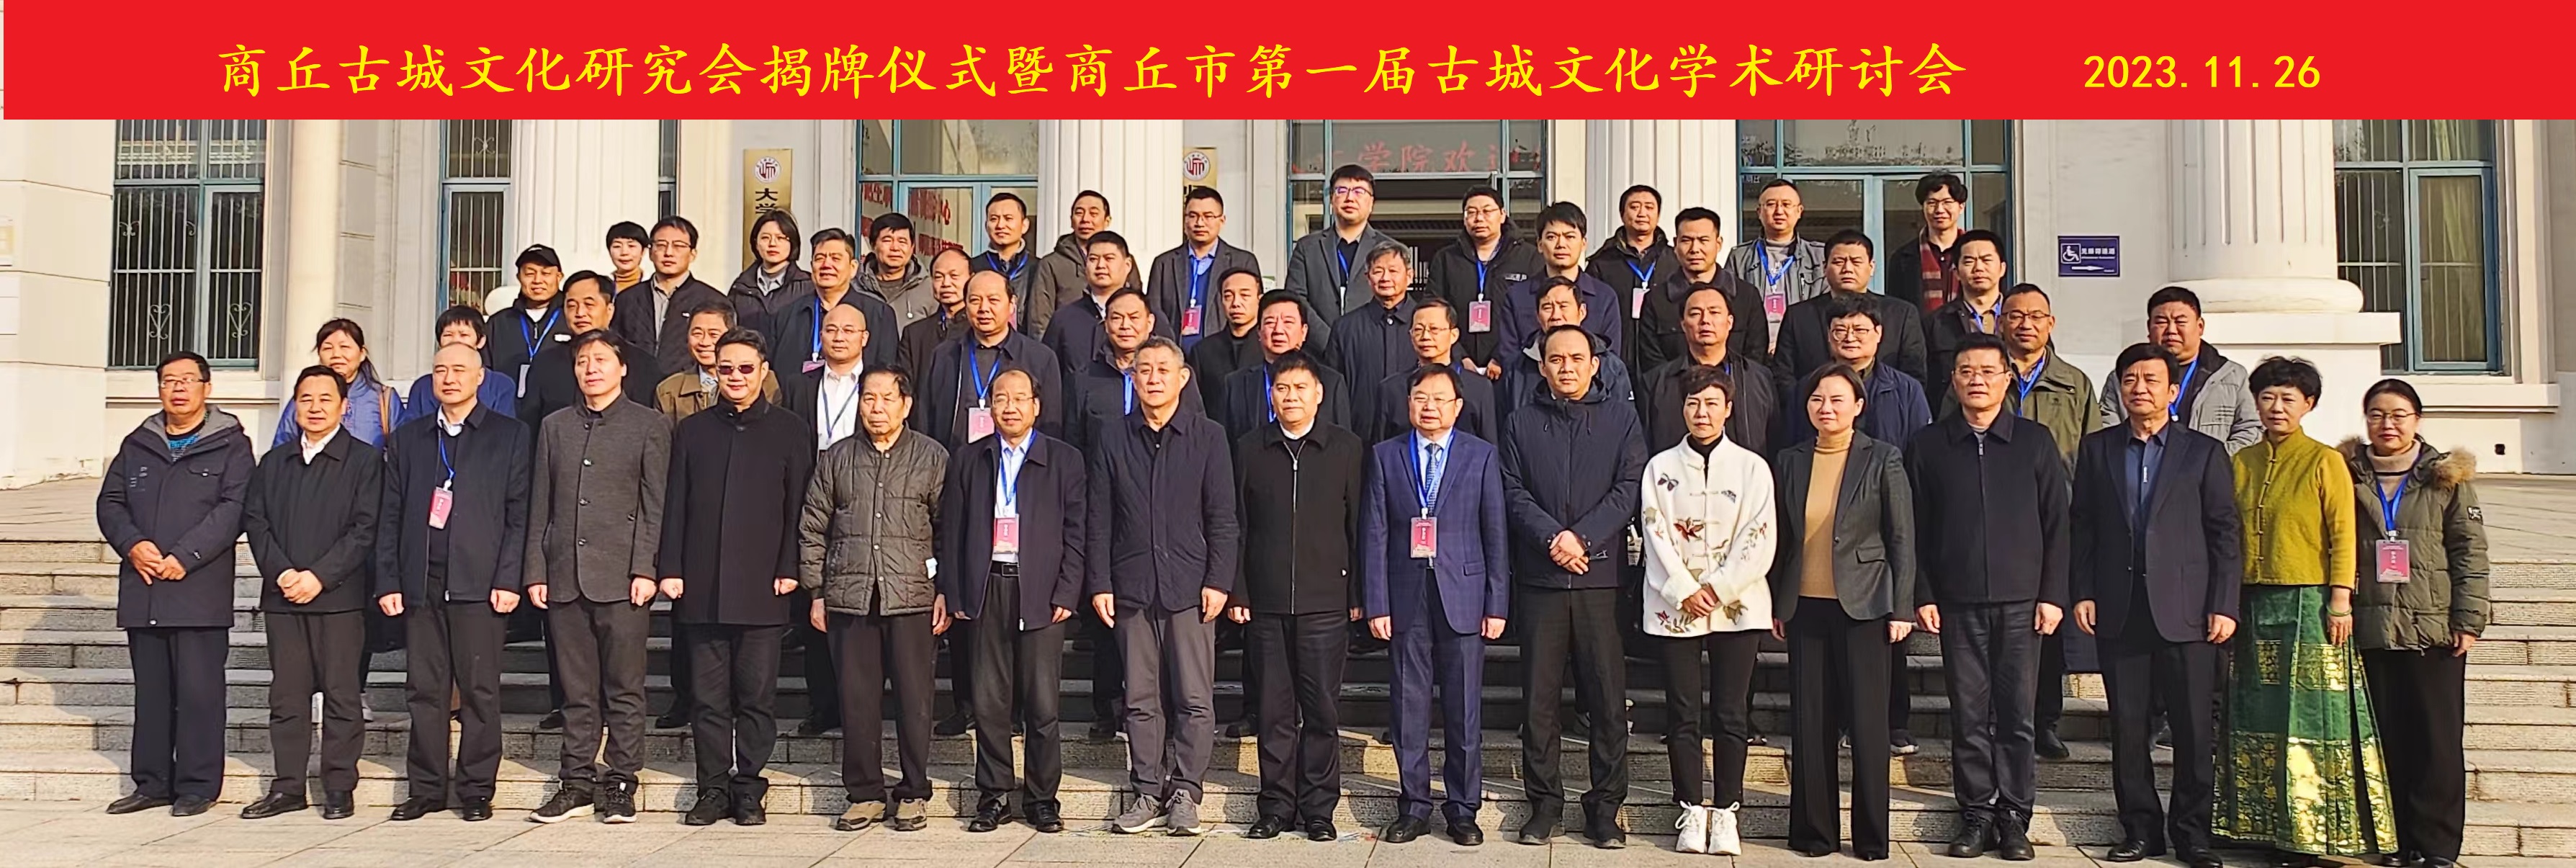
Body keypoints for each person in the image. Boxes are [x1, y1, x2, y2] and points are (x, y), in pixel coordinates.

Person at [2218, 357, 2393, 868]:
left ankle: (2315, 831)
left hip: (2310, 602)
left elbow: (2343, 532)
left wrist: (2340, 598)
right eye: (2267, 397)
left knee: (2312, 718)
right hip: (2253, 601)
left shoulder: (2323, 460)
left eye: (2288, 399)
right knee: (2258, 716)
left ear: (2308, 404)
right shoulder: (2242, 461)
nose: (2276, 407)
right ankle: (2259, 824)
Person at [2071, 342, 2239, 868]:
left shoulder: (2203, 452)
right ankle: (2140, 829)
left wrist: (2223, 603)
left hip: (2188, 611)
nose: (2139, 388)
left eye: (2150, 380)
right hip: (2120, 608)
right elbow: (2083, 527)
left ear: (2172, 390)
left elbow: (2224, 533)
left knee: (2192, 730)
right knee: (2127, 727)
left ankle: (2192, 833)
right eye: (2129, 380)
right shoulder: (2097, 449)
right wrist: (2083, 591)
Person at [1907, 333, 2070, 860]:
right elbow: (1916, 527)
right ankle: (1976, 812)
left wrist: (2053, 594)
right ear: (1953, 381)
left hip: (2023, 602)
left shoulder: (2033, 441)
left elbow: (2057, 522)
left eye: (1987, 371)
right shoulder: (1929, 445)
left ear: (2006, 379)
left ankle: (2015, 815)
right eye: (1966, 371)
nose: (1976, 380)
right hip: (1957, 602)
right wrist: (1923, 593)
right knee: (1968, 713)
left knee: (2017, 714)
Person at [661, 329, 816, 827]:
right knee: (707, 699)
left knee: (755, 697)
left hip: (764, 584)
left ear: (764, 370)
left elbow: (799, 507)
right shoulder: (693, 430)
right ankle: (711, 788)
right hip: (701, 584)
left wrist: (791, 567)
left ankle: (749, 787)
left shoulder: (790, 429)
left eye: (745, 368)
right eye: (725, 368)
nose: (735, 377)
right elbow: (675, 503)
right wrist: (670, 567)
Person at [1502, 324, 1647, 849]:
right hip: (1541, 578)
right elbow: (1511, 489)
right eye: (1556, 359)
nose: (1566, 367)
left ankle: (1604, 807)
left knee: (1607, 700)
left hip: (1599, 577)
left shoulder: (1621, 418)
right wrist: (1552, 538)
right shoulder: (1520, 421)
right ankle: (1544, 803)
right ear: (1542, 367)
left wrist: (1581, 537)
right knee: (1539, 701)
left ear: (1594, 364)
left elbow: (1629, 486)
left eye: (1576, 358)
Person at [1088, 336, 1239, 836]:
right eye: (1144, 370)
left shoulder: (1208, 436)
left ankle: (1186, 791)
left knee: (1194, 697)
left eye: (1162, 369)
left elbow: (1222, 517)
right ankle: (1147, 789)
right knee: (1140, 698)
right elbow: (1099, 517)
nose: (1153, 378)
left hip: (1190, 587)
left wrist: (1219, 579)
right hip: (1131, 585)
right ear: (1132, 378)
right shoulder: (1113, 436)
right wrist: (1100, 581)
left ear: (1182, 377)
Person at [375, 344, 531, 823]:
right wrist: (389, 580)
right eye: (440, 369)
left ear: (480, 377)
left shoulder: (509, 435)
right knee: (425, 690)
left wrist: (509, 578)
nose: (449, 378)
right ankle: (426, 787)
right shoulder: (410, 438)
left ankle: (477, 788)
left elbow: (519, 515)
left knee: (479, 691)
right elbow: (391, 514)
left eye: (459, 369)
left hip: (480, 584)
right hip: (422, 581)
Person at [521, 330, 670, 826]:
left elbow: (654, 505)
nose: (591, 368)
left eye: (601, 360)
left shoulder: (648, 425)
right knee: (576, 690)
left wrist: (645, 567)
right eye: (583, 361)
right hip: (564, 574)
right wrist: (537, 569)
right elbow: (541, 504)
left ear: (622, 368)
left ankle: (622, 781)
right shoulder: (555, 426)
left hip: (622, 577)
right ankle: (576, 780)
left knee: (623, 687)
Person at [95, 352, 252, 818]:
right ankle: (152, 782)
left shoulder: (231, 444)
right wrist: (133, 545)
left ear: (207, 388)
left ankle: (198, 785)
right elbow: (110, 503)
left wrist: (186, 556)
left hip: (198, 588)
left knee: (199, 694)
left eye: (187, 380)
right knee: (153, 694)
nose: (178, 388)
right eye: (168, 380)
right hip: (145, 585)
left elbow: (234, 508)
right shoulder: (138, 443)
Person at [1769, 363, 1914, 861]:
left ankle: (1871, 836)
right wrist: (1778, 600)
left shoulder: (1883, 458)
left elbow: (1901, 537)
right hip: (1805, 605)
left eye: (1836, 399)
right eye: (1817, 399)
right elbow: (1782, 537)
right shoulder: (1790, 460)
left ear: (1858, 406)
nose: (1825, 408)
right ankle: (1815, 832)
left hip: (1865, 606)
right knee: (1811, 723)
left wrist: (1901, 607)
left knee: (1868, 726)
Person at [1363, 364, 1511, 848]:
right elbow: (1374, 532)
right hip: (1406, 595)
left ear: (1457, 406)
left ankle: (1463, 809)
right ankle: (1413, 806)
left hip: (1464, 594)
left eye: (1439, 398)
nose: (1429, 407)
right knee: (1407, 708)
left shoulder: (1480, 454)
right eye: (1420, 398)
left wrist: (1496, 602)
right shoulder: (1385, 455)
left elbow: (1494, 532)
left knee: (1463, 709)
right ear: (1408, 403)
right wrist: (1376, 602)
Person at [799, 366, 948, 833]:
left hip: (912, 597)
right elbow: (812, 527)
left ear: (906, 405)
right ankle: (864, 793)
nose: (876, 407)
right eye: (868, 398)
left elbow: (948, 529)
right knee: (857, 700)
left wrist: (946, 589)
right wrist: (816, 591)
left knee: (914, 699)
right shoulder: (837, 457)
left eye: (887, 398)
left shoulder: (931, 456)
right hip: (850, 597)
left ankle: (913, 791)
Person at [2345, 379, 2487, 868]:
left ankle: (2437, 846)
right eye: (2377, 414)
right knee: (2385, 738)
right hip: (2371, 625)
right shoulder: (2347, 474)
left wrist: (2468, 618)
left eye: (2398, 414)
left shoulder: (2445, 478)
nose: (2387, 424)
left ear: (2417, 420)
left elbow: (2470, 552)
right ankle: (2395, 839)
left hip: (2432, 630)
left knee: (2436, 742)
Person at [939, 367, 1087, 835]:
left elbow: (1077, 533)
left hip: (1040, 589)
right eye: (1001, 398)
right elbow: (951, 530)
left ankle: (1042, 798)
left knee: (1042, 704)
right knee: (989, 701)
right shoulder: (970, 458)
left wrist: (1068, 590)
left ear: (1036, 406)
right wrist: (955, 590)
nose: (1010, 407)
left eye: (1020, 398)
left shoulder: (1063, 459)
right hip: (986, 588)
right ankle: (994, 794)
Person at [1226, 352, 1363, 842]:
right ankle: (1276, 806)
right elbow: (1237, 524)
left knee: (1321, 711)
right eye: (1281, 388)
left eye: (1300, 388)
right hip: (1264, 603)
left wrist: (1358, 592)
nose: (1291, 397)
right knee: (1273, 711)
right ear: (1271, 394)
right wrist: (1238, 589)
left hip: (1326, 601)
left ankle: (1319, 808)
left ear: (1318, 394)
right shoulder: (1249, 448)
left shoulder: (1345, 448)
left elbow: (1358, 526)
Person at [1641, 365, 1777, 856]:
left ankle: (1726, 811)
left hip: (1736, 604)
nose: (1702, 412)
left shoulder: (1751, 468)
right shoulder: (1660, 468)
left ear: (1728, 409)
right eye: (1693, 403)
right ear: (1682, 408)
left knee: (1730, 711)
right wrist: (1684, 589)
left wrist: (1717, 588)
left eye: (1712, 403)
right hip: (1674, 604)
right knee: (1682, 712)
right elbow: (1654, 532)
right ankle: (1690, 807)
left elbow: (1759, 536)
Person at [240, 365, 382, 822]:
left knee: (342, 696)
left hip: (339, 600)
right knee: (287, 698)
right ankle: (288, 787)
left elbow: (365, 529)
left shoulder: (364, 461)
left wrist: (319, 577)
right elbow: (256, 522)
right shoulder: (274, 462)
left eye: (325, 399)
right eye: (306, 399)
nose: (315, 407)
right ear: (295, 406)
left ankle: (338, 786)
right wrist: (282, 572)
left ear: (344, 406)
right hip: (284, 598)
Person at [2000, 282, 2100, 759]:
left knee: (2049, 624)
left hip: (2056, 518)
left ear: (2051, 324)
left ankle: (2044, 721)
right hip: (1997, 518)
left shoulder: (2073, 383)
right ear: (2001, 322)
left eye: (2036, 316)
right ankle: (2002, 718)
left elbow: (2092, 451)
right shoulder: (1983, 372)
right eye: (2016, 315)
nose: (2026, 324)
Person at [2099, 286, 2263, 452]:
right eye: (2162, 322)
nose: (2171, 331)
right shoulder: (2124, 377)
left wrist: (2208, 461)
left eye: (2180, 322)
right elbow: (2106, 431)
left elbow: (2250, 431)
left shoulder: (2231, 375)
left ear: (2200, 326)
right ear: (2149, 327)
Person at [917, 271, 1065, 449]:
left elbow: (1051, 427)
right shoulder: (944, 355)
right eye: (975, 301)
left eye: (993, 300)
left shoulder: (1040, 358)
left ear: (1012, 304)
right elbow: (925, 419)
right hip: (954, 459)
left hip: (1017, 461)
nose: (984, 309)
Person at [1772, 230, 1929, 388]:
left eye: (1856, 262)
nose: (1847, 268)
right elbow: (1784, 376)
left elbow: (1914, 375)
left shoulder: (1901, 314)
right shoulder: (1799, 316)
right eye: (1839, 262)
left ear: (1872, 267)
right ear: (1824, 267)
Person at [1638, 282, 1779, 458]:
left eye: (1714, 312)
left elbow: (1775, 444)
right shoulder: (1656, 383)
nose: (1705, 320)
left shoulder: (1759, 379)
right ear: (1683, 324)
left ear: (1730, 322)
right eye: (1695, 314)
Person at [524, 273, 665, 439]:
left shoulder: (641, 363)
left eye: (589, 305)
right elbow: (530, 426)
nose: (580, 313)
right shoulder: (545, 364)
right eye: (571, 306)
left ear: (610, 310)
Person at [1067, 287, 1206, 452]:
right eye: (1117, 318)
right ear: (1106, 325)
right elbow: (1073, 444)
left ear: (1150, 322)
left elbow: (1197, 433)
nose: (1125, 326)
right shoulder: (1084, 378)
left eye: (1134, 318)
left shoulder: (1174, 375)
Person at [1785, 295, 1930, 451]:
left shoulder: (1907, 390)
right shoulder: (1808, 388)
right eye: (1840, 331)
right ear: (1829, 335)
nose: (1850, 338)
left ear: (1879, 333)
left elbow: (1922, 451)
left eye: (1860, 330)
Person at [1424, 185, 1540, 376]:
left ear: (1502, 215)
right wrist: (1460, 357)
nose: (1479, 218)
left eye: (1487, 211)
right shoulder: (1446, 259)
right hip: (1458, 367)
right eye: (1471, 212)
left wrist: (1501, 356)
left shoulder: (1529, 258)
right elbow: (1433, 311)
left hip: (1514, 366)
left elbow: (1533, 315)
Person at [1048, 232, 1173, 398]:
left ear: (1127, 265)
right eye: (1093, 259)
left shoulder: (1151, 317)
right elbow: (1049, 378)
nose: (1101, 265)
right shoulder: (1064, 319)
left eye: (1109, 259)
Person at [1218, 291, 1352, 444]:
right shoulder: (1235, 384)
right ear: (1259, 332)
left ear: (1304, 332)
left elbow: (1344, 445)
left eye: (1288, 322)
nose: (1278, 330)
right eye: (1270, 323)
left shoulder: (1332, 382)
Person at [1497, 202, 1625, 360]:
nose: (1561, 245)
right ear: (1540, 245)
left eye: (1570, 237)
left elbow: (1610, 359)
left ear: (1583, 243)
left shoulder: (1604, 296)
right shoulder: (1517, 296)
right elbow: (1509, 356)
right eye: (1552, 237)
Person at [771, 228, 903, 375]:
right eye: (820, 258)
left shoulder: (879, 315)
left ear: (853, 268)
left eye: (836, 259)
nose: (827, 265)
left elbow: (886, 374)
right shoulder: (787, 315)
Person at [1285, 164, 1399, 331]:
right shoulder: (1307, 248)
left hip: (1371, 342)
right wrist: (1329, 340)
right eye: (1342, 191)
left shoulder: (1390, 250)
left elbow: (1396, 301)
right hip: (1318, 345)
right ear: (1332, 199)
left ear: (1371, 203)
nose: (1350, 198)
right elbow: (1296, 300)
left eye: (1359, 191)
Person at [1499, 277, 1633, 421]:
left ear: (1582, 312)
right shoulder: (1517, 368)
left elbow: (1624, 423)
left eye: (1563, 307)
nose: (1556, 316)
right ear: (1538, 316)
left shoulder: (1610, 367)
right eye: (1547, 308)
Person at [1586, 184, 1688, 370]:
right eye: (1634, 207)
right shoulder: (1603, 262)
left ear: (1658, 215)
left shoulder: (1675, 260)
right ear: (1622, 214)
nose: (1642, 213)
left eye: (1649, 207)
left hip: (1665, 359)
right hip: (1617, 357)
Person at [1149, 186, 1261, 349]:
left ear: (1222, 221)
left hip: (1224, 353)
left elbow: (1254, 312)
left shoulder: (1242, 261)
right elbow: (1154, 310)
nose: (1200, 223)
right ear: (1185, 220)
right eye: (1193, 216)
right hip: (1175, 354)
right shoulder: (1165, 263)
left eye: (1208, 216)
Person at [1373, 297, 1497, 444]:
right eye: (1418, 330)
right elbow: (1379, 448)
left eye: (1434, 330)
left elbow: (1489, 448)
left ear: (1454, 335)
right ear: (1411, 336)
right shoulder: (1391, 389)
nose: (1426, 337)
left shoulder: (1479, 388)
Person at [1329, 243, 1419, 440]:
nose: (1385, 278)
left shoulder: (1427, 324)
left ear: (1410, 276)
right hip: (1359, 436)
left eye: (1393, 271)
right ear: (1368, 278)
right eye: (1378, 271)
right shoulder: (1345, 328)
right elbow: (1333, 389)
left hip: (1416, 434)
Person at [1665, 207, 1774, 369]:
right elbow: (1652, 363)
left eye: (1703, 240)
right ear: (1675, 244)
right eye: (1687, 240)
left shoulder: (1746, 295)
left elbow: (1755, 355)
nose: (1695, 249)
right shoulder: (1657, 298)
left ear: (1718, 244)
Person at [1725, 179, 1831, 346]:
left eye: (1786, 204)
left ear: (1799, 211)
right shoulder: (1739, 257)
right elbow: (1729, 306)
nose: (1779, 211)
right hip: (1753, 348)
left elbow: (1829, 308)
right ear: (1759, 212)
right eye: (1771, 204)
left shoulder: (1819, 256)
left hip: (1804, 347)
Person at [615, 215, 727, 374]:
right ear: (651, 253)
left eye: (678, 246)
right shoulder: (628, 299)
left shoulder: (712, 300)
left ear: (693, 254)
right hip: (636, 383)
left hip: (688, 384)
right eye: (661, 245)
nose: (668, 253)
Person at [273, 318, 400, 448]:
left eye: (344, 347)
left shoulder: (384, 398)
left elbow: (401, 450)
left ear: (362, 353)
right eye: (328, 348)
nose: (336, 355)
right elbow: (282, 449)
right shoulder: (306, 397)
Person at [1027, 190, 1136, 337]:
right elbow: (1040, 321)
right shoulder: (1052, 264)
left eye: (1093, 213)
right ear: (1071, 220)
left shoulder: (1122, 260)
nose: (1085, 219)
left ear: (1107, 220)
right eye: (1079, 213)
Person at [655, 302, 783, 419]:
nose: (704, 342)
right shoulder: (669, 390)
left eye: (714, 334)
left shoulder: (764, 381)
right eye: (697, 334)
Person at [405, 305, 521, 424]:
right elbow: (412, 431)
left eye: (464, 335)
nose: (456, 340)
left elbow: (504, 430)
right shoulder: (422, 387)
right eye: (448, 335)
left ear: (481, 341)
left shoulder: (500, 385)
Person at [1926, 229, 2012, 387]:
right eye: (1969, 261)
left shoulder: (2020, 318)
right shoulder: (1936, 323)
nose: (1978, 268)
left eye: (1986, 260)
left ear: (2002, 268)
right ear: (1956, 272)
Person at [782, 303, 871, 452]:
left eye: (848, 331)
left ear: (864, 338)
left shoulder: (877, 385)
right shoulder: (798, 386)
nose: (839, 338)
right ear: (821, 336)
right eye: (831, 330)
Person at [484, 244, 570, 386]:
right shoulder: (499, 323)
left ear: (559, 277)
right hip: (507, 399)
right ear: (519, 277)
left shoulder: (572, 319)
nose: (537, 280)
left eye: (546, 273)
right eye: (530, 274)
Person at [1886, 172, 1970, 313]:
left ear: (1961, 207)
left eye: (1947, 202)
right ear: (1923, 207)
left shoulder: (1978, 252)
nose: (1939, 210)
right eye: (1932, 203)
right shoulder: (1902, 258)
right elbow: (1896, 311)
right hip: (1920, 327)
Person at [729, 210, 813, 340]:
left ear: (793, 243)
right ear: (756, 243)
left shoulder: (807, 286)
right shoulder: (741, 288)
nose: (772, 244)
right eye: (765, 238)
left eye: (780, 238)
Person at [1185, 267, 1271, 388]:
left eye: (1245, 295)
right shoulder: (1203, 351)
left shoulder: (1271, 346)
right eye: (1228, 296)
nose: (1236, 303)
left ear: (1260, 300)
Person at [970, 192, 1043, 331]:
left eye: (1008, 218)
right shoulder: (973, 267)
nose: (1000, 225)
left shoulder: (1040, 268)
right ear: (986, 226)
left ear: (1025, 225)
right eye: (994, 219)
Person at [899, 248, 974, 375]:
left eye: (954, 276)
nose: (946, 283)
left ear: (971, 279)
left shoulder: (980, 329)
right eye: (939, 277)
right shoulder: (914, 334)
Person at [859, 213, 936, 328]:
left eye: (902, 242)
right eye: (887, 241)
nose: (895, 248)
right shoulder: (856, 286)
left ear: (912, 247)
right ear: (873, 245)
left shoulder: (929, 289)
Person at [605, 221, 652, 292]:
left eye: (631, 246)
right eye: (617, 246)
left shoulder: (652, 285)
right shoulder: (600, 286)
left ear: (643, 251)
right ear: (609, 251)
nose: (624, 252)